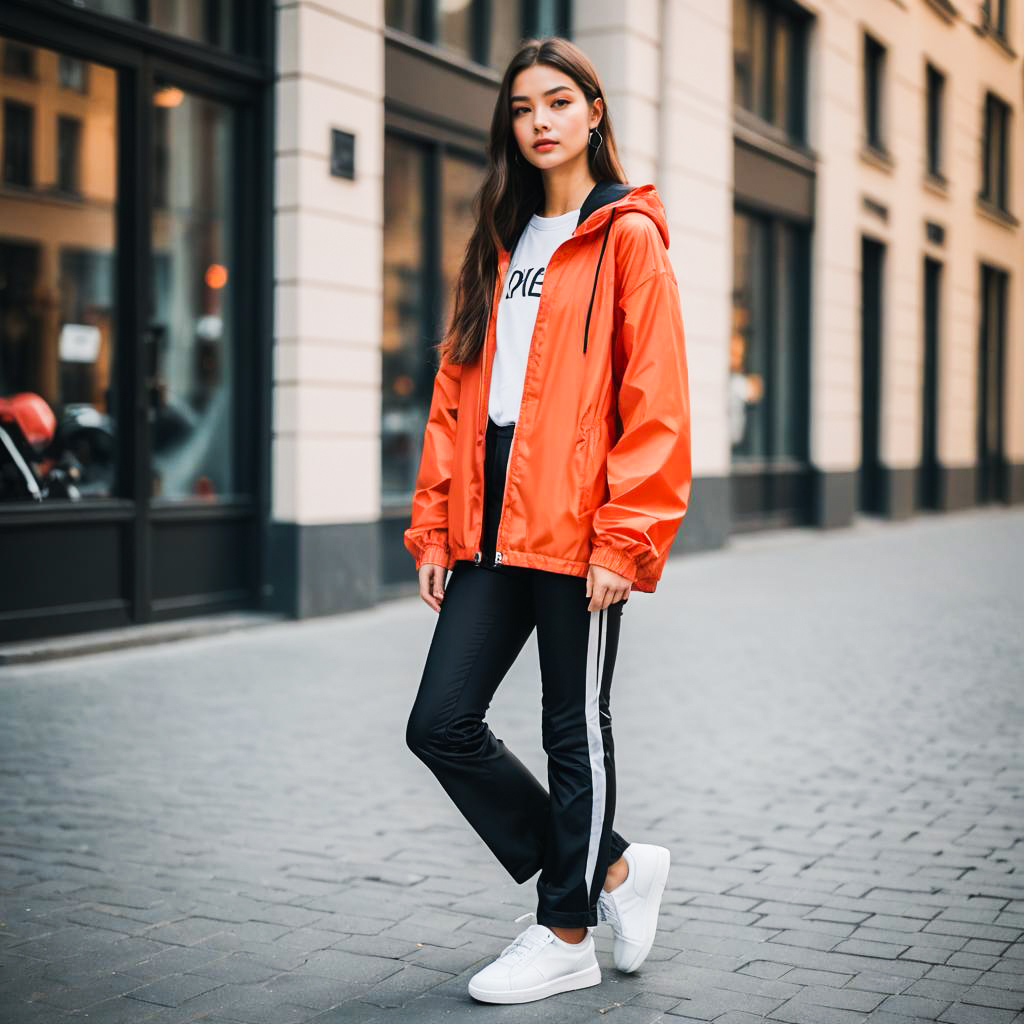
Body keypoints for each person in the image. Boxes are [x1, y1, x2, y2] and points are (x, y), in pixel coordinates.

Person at [403, 35, 691, 1005]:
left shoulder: (626, 238)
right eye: (523, 107)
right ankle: (613, 866)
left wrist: (626, 535)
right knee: (440, 721)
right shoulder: (498, 238)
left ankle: (565, 929)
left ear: (593, 113)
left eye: (558, 102)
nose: (539, 121)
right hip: (488, 512)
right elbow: (454, 395)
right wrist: (436, 525)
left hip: (579, 516)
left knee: (575, 729)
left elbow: (655, 401)